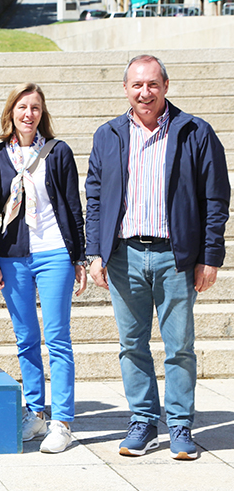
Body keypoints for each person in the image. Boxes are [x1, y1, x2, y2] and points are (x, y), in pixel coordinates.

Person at [85, 55, 229, 460]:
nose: (144, 93)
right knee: (132, 345)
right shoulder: (108, 134)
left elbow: (216, 198)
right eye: (136, 85)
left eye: (152, 84)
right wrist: (94, 251)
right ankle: (144, 422)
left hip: (176, 257)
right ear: (125, 89)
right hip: (123, 256)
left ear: (166, 85)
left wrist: (210, 256)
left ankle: (181, 425)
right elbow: (94, 197)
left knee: (179, 346)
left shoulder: (195, 132)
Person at [0, 83, 86, 454]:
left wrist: (80, 257)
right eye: (23, 107)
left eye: (36, 108)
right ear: (11, 112)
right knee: (26, 338)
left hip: (55, 252)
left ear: (43, 114)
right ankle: (35, 412)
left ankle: (62, 421)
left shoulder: (57, 152)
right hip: (12, 256)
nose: (29, 114)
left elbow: (73, 206)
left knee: (58, 338)